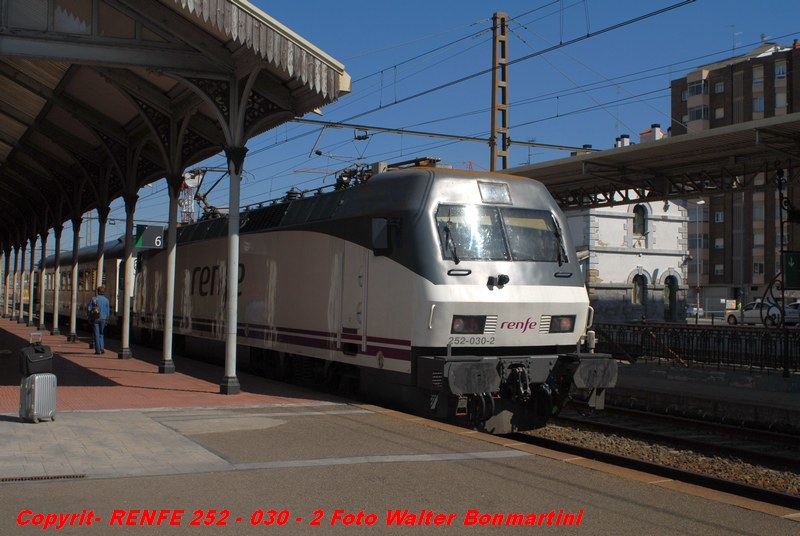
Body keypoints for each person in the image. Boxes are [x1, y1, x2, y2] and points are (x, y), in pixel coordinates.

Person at [88, 286, 110, 354]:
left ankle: (97, 350)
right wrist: (107, 319)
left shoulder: (94, 299)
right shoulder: (106, 300)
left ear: (98, 291)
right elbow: (108, 311)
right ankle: (102, 348)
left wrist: (89, 316)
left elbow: (89, 309)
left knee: (96, 334)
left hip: (96, 318)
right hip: (103, 318)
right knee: (101, 333)